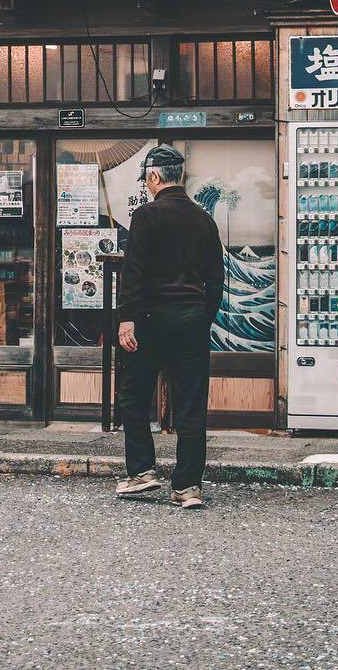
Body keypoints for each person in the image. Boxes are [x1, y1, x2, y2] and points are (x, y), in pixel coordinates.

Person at [115, 145, 224, 509]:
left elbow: (134, 272)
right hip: (192, 318)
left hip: (151, 319)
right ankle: (188, 486)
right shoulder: (203, 218)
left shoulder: (146, 215)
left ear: (154, 177)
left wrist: (126, 319)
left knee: (133, 396)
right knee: (191, 405)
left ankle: (142, 471)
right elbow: (216, 278)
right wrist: (201, 316)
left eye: (147, 180)